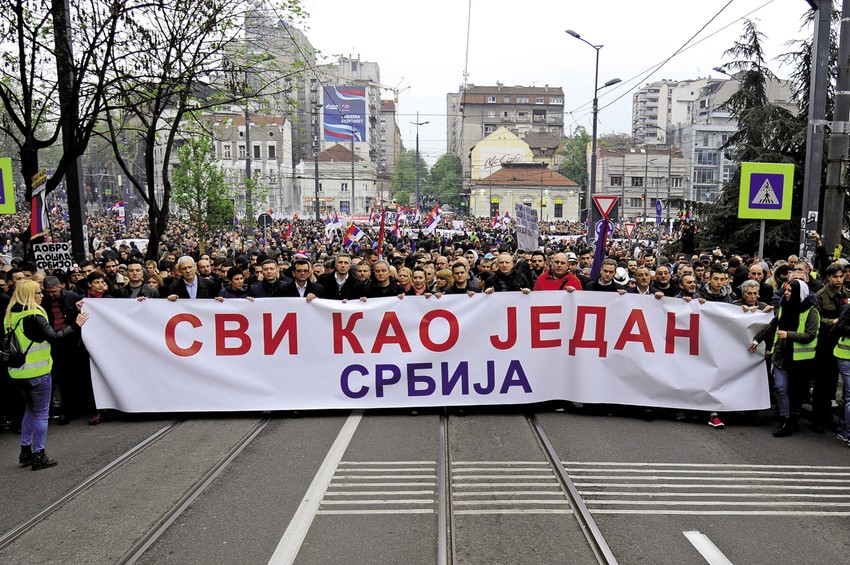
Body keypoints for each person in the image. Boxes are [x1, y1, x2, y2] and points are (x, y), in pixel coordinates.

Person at [7, 280, 89, 470]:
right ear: (29, 295)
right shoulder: (35, 315)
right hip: (38, 371)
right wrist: (77, 325)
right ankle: (39, 455)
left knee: (29, 410)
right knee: (42, 414)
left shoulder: (9, 315)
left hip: (17, 373)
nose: (41, 295)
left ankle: (25, 451)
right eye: (37, 292)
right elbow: (55, 337)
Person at [749, 279, 819, 437]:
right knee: (780, 388)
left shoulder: (811, 311)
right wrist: (756, 340)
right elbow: (773, 325)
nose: (785, 293)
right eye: (785, 290)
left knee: (795, 392)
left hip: (801, 361)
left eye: (789, 291)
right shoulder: (784, 307)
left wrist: (789, 335)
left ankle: (790, 420)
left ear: (798, 293)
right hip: (782, 356)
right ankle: (785, 418)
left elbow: (810, 334)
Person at [812, 262, 850, 432]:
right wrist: (832, 322)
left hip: (840, 342)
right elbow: (816, 318)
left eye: (841, 276)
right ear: (828, 277)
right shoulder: (821, 295)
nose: (839, 279)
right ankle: (818, 418)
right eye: (835, 276)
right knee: (822, 382)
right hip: (825, 342)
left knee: (833, 382)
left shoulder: (847, 294)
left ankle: (828, 416)